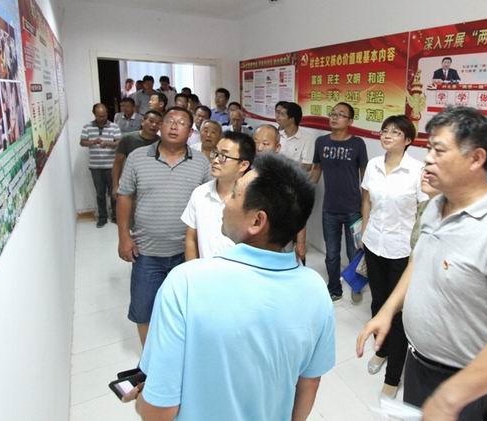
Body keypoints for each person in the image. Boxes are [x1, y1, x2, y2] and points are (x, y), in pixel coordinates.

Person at [356, 106, 487, 421]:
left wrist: (449, 397)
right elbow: (419, 261)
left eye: (439, 151)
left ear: (476, 158)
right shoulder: (436, 205)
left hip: (467, 380)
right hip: (419, 359)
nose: (428, 158)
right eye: (429, 148)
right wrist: (388, 310)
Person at [130, 154, 335, 421]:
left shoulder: (186, 284)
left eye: (235, 195)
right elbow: (309, 383)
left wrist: (141, 402)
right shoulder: (316, 289)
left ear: (257, 221)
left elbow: (158, 411)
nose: (226, 202)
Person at [116, 107, 211, 345]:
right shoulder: (137, 157)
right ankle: (149, 358)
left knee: (184, 308)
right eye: (169, 121)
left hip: (187, 252)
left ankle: (179, 351)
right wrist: (124, 237)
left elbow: (209, 203)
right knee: (144, 309)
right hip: (146, 251)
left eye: (181, 123)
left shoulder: (201, 162)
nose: (174, 126)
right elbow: (124, 196)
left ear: (190, 132)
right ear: (160, 125)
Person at [359, 115, 427, 398]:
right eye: (384, 131)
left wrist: (417, 252)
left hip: (402, 250)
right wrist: (365, 232)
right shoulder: (374, 165)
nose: (386, 135)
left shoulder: (417, 170)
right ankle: (382, 349)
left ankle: (393, 375)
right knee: (377, 302)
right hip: (374, 243)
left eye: (395, 132)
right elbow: (366, 201)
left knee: (397, 312)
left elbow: (424, 213)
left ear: (408, 140)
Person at [310, 102, 368, 302]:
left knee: (355, 252)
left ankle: (356, 286)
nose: (334, 117)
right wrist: (306, 190)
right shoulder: (321, 142)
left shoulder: (358, 144)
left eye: (341, 114)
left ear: (350, 121)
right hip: (330, 208)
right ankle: (334, 288)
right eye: (333, 113)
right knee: (332, 253)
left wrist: (365, 206)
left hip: (353, 208)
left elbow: (364, 176)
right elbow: (316, 170)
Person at [182, 131, 255, 260]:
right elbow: (191, 238)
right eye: (215, 153)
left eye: (223, 156)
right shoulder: (200, 193)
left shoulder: (253, 200)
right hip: (204, 270)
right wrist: (192, 269)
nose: (215, 160)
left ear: (243, 165)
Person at [254, 124, 306, 264]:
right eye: (256, 142)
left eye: (265, 144)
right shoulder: (246, 169)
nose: (259, 148)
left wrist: (300, 242)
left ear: (277, 147)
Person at [80, 104, 122, 227]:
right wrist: (93, 142)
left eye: (104, 115)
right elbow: (82, 142)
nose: (103, 118)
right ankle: (102, 217)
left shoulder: (114, 126)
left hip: (111, 166)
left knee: (114, 193)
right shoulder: (87, 126)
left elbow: (119, 142)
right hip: (95, 167)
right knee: (100, 193)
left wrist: (107, 143)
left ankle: (115, 216)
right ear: (94, 114)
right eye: (100, 116)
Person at [112, 110, 163, 197]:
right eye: (151, 121)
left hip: (151, 187)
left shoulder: (161, 142)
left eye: (158, 123)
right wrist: (115, 185)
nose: (154, 125)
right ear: (142, 121)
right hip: (129, 183)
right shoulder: (127, 138)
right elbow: (117, 163)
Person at [275, 101, 313, 171]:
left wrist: (287, 168)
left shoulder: (307, 138)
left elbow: (307, 166)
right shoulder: (276, 134)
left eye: (282, 115)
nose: (278, 117)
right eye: (278, 113)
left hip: (294, 176)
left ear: (291, 119)